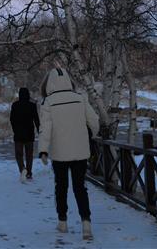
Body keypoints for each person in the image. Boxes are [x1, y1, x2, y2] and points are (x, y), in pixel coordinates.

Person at [37, 66, 100, 239]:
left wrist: (43, 150)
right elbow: (94, 120)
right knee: (80, 187)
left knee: (61, 187)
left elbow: (46, 129)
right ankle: (86, 223)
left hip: (60, 153)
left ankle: (62, 222)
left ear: (49, 83)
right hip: (80, 152)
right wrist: (92, 135)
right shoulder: (80, 98)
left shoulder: (48, 103)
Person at [9, 87, 40, 181]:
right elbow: (36, 120)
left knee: (19, 155)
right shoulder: (32, 105)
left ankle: (22, 169)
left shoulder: (15, 105)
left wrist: (15, 130)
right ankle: (29, 173)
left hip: (18, 134)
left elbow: (12, 119)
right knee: (29, 155)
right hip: (29, 134)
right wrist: (40, 131)